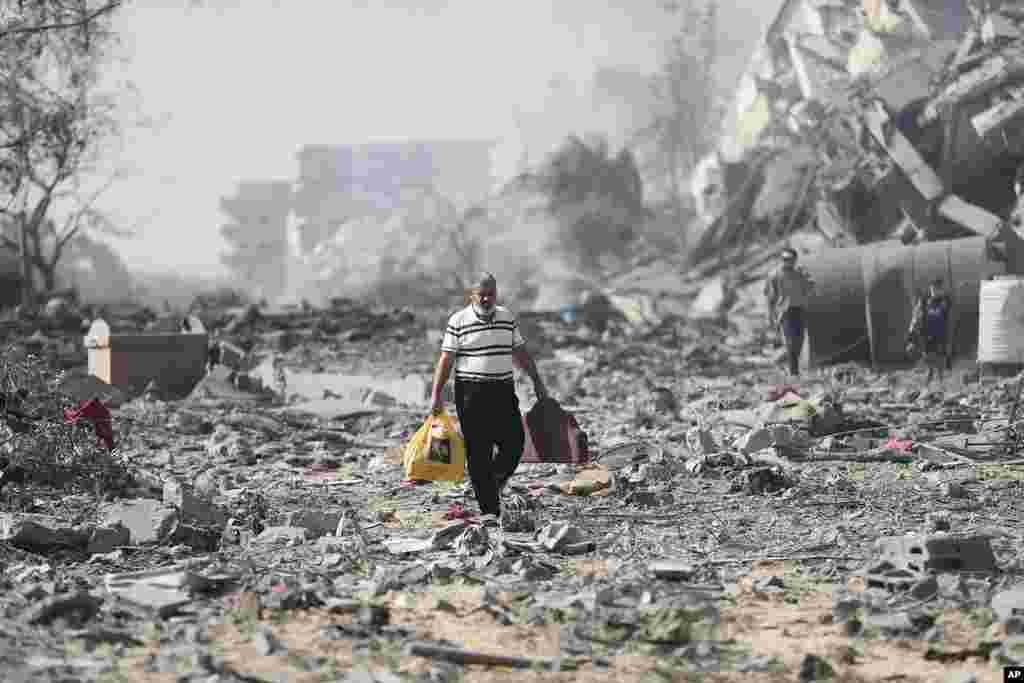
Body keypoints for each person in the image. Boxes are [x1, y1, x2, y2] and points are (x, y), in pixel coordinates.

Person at [429, 272, 548, 525]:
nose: (486, 298)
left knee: (515, 443)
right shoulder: (458, 321)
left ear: (496, 293)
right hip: (471, 393)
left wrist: (537, 381)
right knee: (478, 451)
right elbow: (446, 360)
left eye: (490, 293)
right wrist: (436, 393)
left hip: (503, 391)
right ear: (471, 295)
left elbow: (520, 353)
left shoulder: (507, 318)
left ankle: (490, 483)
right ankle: (489, 511)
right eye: (481, 294)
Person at [764, 247, 815, 377]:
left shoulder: (799, 273)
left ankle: (795, 367)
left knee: (799, 341)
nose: (786, 261)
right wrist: (770, 315)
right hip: (785, 312)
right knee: (790, 342)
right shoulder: (774, 275)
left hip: (800, 310)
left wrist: (807, 279)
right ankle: (794, 372)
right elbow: (770, 297)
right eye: (784, 259)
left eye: (789, 259)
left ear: (794, 260)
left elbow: (810, 287)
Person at [907, 278, 953, 383]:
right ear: (930, 289)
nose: (935, 291)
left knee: (940, 363)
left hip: (941, 336)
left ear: (942, 290)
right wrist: (911, 337)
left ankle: (941, 384)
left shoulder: (946, 302)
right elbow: (915, 319)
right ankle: (928, 383)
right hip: (927, 336)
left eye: (938, 289)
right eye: (933, 289)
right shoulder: (924, 302)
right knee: (929, 363)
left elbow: (950, 321)